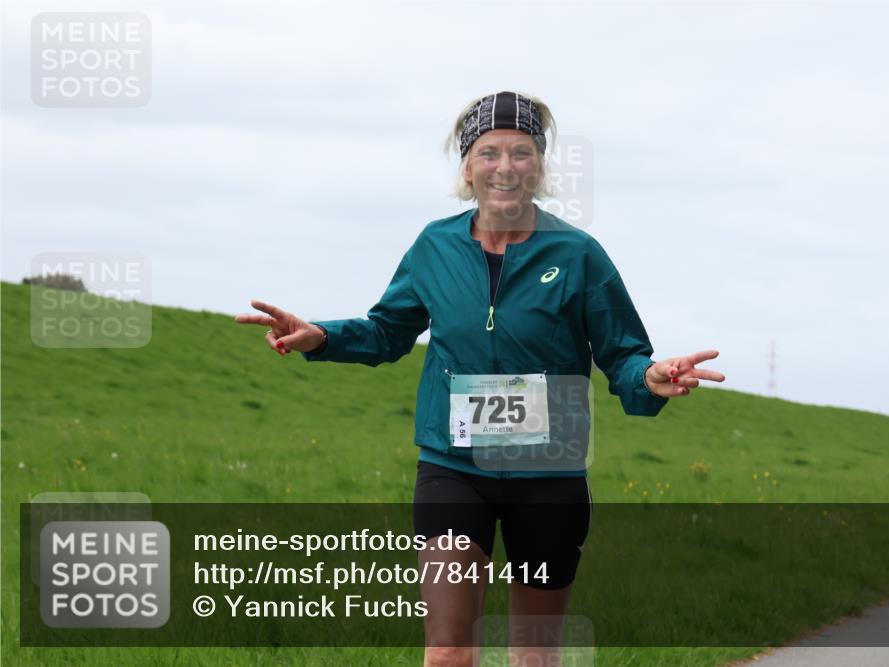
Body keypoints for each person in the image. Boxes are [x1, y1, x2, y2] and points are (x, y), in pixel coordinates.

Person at [236, 91, 725, 667]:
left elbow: (622, 354)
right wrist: (322, 336)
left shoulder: (579, 255)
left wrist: (650, 376)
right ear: (467, 167)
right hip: (453, 469)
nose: (506, 167)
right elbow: (389, 331)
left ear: (540, 167)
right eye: (489, 152)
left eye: (522, 153)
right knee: (447, 650)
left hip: (549, 474)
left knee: (534, 657)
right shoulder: (434, 246)